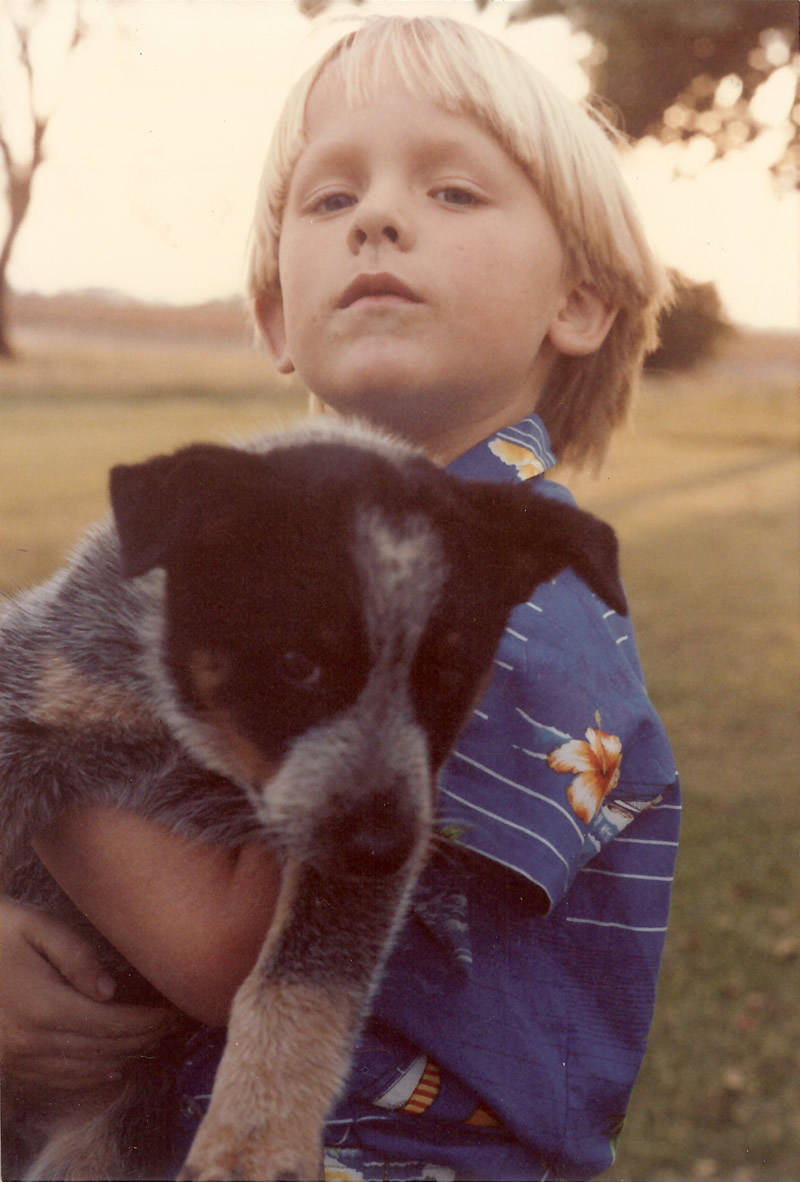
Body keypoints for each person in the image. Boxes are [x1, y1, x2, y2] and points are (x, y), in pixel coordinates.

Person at [0, 15, 680, 1181]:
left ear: (576, 302)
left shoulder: (528, 594)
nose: (379, 217)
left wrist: (38, 748)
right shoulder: (233, 536)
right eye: (327, 202)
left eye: (455, 192)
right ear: (273, 314)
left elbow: (236, 941)